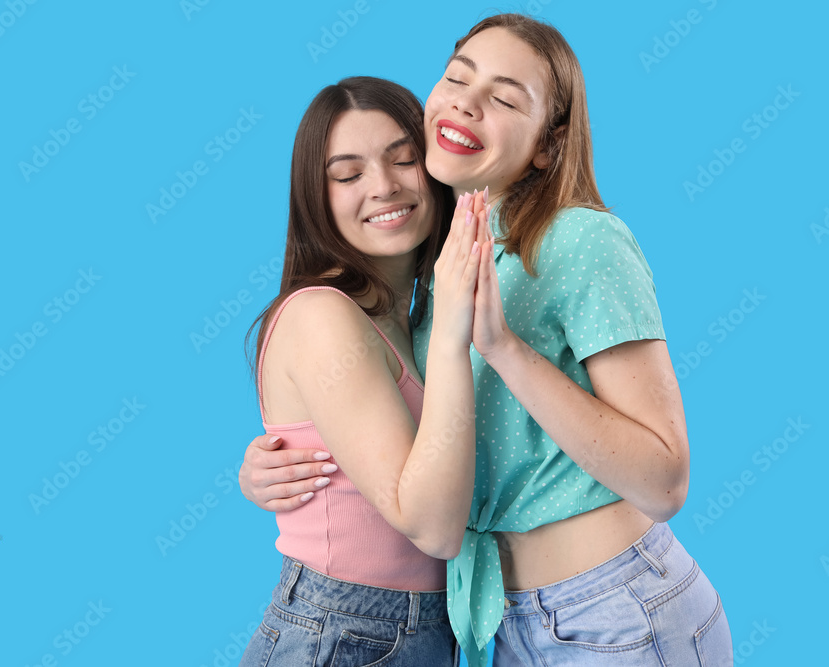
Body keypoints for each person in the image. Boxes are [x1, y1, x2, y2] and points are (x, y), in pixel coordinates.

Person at [241, 15, 734, 667]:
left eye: (504, 98)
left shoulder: (580, 240)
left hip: (610, 610)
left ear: (547, 147)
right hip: (505, 625)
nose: (468, 103)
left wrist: (504, 347)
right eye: (456, 78)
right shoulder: (446, 274)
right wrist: (285, 455)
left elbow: (666, 480)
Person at [238, 76, 492, 667]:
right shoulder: (325, 314)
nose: (383, 186)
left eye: (404, 159)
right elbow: (432, 528)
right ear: (315, 199)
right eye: (348, 174)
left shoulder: (412, 319)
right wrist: (457, 333)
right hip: (347, 631)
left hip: (413, 628)